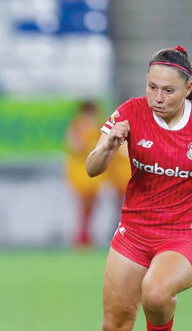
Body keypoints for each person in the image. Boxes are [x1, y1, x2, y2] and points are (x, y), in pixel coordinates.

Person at [86, 45, 192, 331]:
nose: (157, 98)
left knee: (156, 294)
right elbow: (92, 168)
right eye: (152, 87)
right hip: (134, 231)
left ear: (188, 89)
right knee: (114, 324)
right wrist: (108, 145)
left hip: (183, 234)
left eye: (168, 91)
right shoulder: (131, 111)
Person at [65, 101, 129, 246]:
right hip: (83, 171)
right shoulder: (81, 124)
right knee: (86, 205)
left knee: (95, 205)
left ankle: (87, 236)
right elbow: (75, 145)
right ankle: (83, 237)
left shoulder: (96, 124)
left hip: (100, 172)